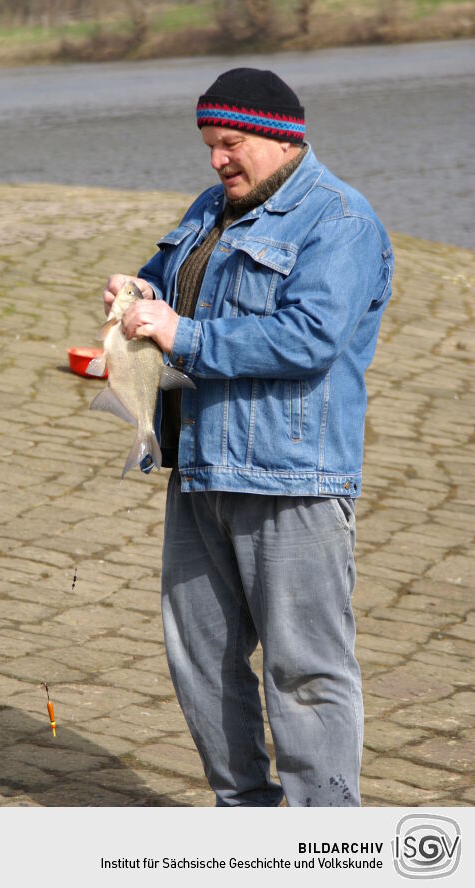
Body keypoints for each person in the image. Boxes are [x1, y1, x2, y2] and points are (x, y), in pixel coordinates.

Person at [103, 68, 394, 807]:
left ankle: (324, 839)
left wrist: (181, 333)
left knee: (305, 671)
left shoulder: (342, 221)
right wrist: (136, 294)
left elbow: (308, 340)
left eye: (230, 143)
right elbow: (164, 284)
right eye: (208, 144)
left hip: (293, 478)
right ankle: (247, 822)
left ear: (282, 138)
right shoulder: (212, 207)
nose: (216, 160)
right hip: (199, 471)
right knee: (199, 661)